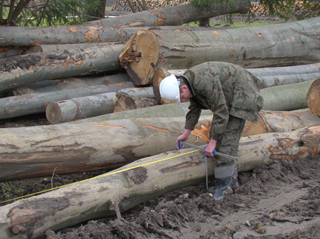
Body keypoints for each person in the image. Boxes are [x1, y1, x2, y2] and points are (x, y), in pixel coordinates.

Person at [159, 61, 264, 200]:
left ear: (183, 88)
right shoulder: (190, 81)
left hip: (243, 95)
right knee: (221, 139)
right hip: (230, 96)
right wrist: (186, 133)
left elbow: (221, 112)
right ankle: (231, 183)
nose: (184, 100)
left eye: (182, 97)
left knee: (226, 143)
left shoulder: (203, 82)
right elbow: (194, 108)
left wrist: (212, 142)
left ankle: (225, 188)